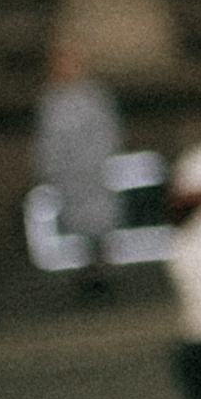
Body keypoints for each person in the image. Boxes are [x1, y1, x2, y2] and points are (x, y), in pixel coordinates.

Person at [33, 38, 123, 293]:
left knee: (100, 225)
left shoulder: (94, 97)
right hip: (70, 178)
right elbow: (47, 141)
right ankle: (86, 272)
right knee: (79, 226)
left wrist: (97, 163)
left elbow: (107, 133)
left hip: (93, 173)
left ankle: (101, 271)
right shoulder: (51, 101)